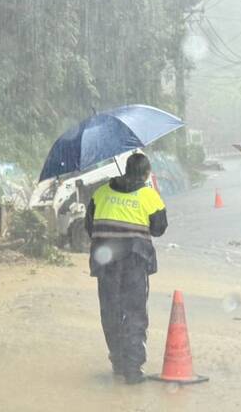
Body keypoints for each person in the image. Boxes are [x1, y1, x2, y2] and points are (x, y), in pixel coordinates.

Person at [85, 151, 168, 384]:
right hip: (134, 261)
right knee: (134, 312)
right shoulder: (148, 196)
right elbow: (159, 228)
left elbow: (89, 226)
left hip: (106, 262)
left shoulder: (100, 193)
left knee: (111, 310)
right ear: (145, 174)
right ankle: (132, 369)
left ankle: (118, 362)